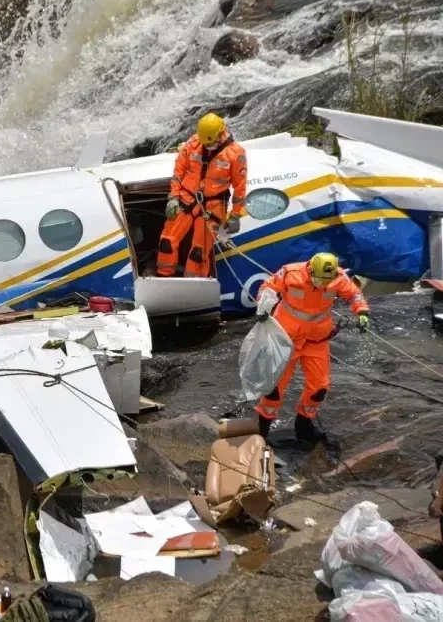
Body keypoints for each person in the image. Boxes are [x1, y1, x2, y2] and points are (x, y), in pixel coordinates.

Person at [253, 252, 370, 443]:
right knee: (274, 387)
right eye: (318, 279)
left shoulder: (339, 277)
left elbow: (354, 294)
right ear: (310, 269)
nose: (322, 284)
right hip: (286, 339)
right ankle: (262, 430)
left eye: (326, 281)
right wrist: (264, 307)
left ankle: (304, 425)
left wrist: (362, 312)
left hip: (317, 341)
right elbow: (268, 287)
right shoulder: (291, 273)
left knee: (320, 387)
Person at [157, 112, 248, 278]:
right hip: (186, 198)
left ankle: (194, 283)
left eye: (210, 143)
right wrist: (173, 197)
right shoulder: (194, 142)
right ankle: (163, 276)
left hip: (212, 205)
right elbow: (179, 171)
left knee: (198, 253)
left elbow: (240, 187)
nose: (206, 146)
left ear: (221, 135)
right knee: (167, 243)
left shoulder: (236, 154)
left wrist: (235, 215)